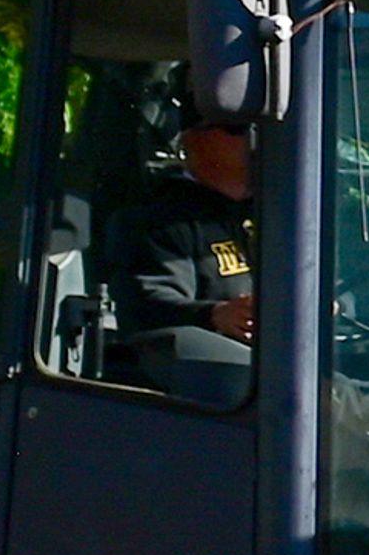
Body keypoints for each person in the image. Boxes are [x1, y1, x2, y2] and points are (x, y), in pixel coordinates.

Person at [107, 114, 258, 370]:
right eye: (239, 128)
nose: (257, 138)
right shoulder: (159, 219)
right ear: (192, 138)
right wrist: (216, 315)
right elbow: (148, 308)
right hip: (223, 386)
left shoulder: (282, 216)